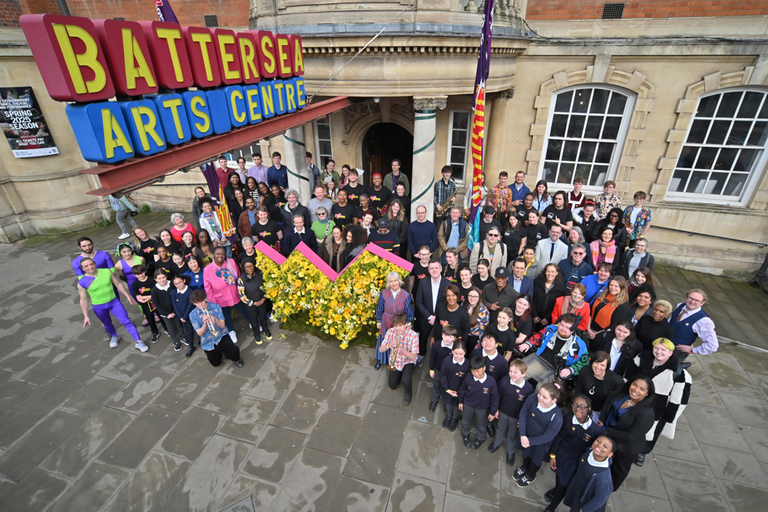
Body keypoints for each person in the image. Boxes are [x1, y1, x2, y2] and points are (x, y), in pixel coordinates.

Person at [632, 338, 692, 467]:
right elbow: (629, 376)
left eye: (663, 350)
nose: (659, 352)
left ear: (670, 353)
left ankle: (643, 452)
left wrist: (669, 416)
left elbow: (677, 398)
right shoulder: (642, 359)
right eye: (656, 348)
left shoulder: (678, 372)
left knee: (652, 431)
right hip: (635, 401)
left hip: (657, 408)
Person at [543, 394, 605, 512]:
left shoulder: (595, 430)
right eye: (575, 405)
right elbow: (559, 437)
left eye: (582, 406)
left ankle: (551, 507)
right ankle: (556, 489)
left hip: (576, 463)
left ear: (589, 409)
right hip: (562, 456)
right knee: (559, 477)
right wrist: (553, 455)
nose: (578, 409)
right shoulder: (567, 419)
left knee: (563, 484)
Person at [598, 375, 655, 490]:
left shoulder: (646, 413)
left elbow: (630, 436)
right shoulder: (624, 394)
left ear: (647, 394)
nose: (635, 389)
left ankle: (608, 489)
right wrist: (602, 420)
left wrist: (606, 430)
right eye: (635, 384)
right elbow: (609, 402)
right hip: (607, 435)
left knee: (617, 470)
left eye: (642, 389)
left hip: (625, 447)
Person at [77, 258, 147, 351]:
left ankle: (139, 342)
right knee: (107, 324)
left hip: (114, 302)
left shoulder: (106, 271)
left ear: (95, 263)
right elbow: (83, 300)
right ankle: (114, 336)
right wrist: (85, 316)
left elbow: (118, 284)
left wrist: (128, 296)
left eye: (91, 264)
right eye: (86, 266)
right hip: (99, 307)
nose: (90, 267)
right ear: (83, 269)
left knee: (126, 321)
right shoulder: (82, 282)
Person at [513, 383, 564, 487]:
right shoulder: (532, 398)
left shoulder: (557, 417)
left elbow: (548, 436)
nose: (539, 397)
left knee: (535, 460)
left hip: (540, 443)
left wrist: (529, 441)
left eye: (544, 397)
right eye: (540, 393)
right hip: (526, 435)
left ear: (553, 400)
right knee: (526, 453)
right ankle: (524, 467)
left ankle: (531, 475)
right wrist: (523, 435)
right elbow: (523, 413)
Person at [488, 360, 534, 465]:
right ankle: (496, 443)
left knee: (512, 435)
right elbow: (498, 396)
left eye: (515, 372)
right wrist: (496, 410)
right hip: (503, 413)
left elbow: (528, 406)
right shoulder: (504, 381)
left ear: (523, 374)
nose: (512, 374)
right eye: (510, 371)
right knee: (500, 429)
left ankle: (510, 452)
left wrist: (523, 420)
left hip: (516, 417)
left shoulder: (528, 388)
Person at [518, 313, 590, 382]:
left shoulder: (580, 345)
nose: (563, 329)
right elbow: (539, 336)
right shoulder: (550, 329)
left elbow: (584, 362)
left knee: (544, 390)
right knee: (520, 373)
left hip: (558, 371)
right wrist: (528, 343)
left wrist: (571, 369)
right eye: (561, 325)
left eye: (567, 328)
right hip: (540, 360)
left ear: (573, 330)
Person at [203, 247, 250, 343]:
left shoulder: (231, 262)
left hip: (235, 294)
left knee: (243, 309)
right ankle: (231, 331)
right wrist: (214, 302)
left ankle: (252, 322)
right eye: (217, 254)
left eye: (222, 254)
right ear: (214, 255)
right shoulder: (208, 269)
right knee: (226, 316)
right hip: (220, 298)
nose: (220, 256)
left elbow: (238, 274)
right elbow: (208, 288)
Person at [189, 289, 244, 368]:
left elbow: (222, 325)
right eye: (197, 303)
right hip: (208, 341)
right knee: (215, 363)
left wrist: (215, 320)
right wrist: (204, 323)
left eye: (201, 301)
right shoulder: (193, 315)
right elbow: (200, 333)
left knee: (233, 352)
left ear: (205, 298)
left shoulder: (215, 307)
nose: (200, 305)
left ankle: (236, 358)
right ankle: (218, 353)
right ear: (194, 303)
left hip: (221, 335)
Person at [562, 436, 616, 512]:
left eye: (605, 446)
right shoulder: (590, 451)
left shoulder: (604, 479)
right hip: (577, 489)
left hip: (585, 501)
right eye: (598, 441)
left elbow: (600, 499)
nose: (599, 445)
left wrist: (585, 510)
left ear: (610, 454)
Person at [459, 356, 500, 450]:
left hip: (482, 408)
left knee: (481, 424)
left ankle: (481, 438)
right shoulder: (468, 377)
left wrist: (493, 412)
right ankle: (465, 434)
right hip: (468, 404)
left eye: (478, 371)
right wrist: (461, 401)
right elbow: (463, 390)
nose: (475, 373)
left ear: (484, 368)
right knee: (465, 421)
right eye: (473, 371)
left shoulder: (491, 381)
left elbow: (495, 398)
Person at [375, 272, 414, 370]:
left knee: (397, 341)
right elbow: (380, 307)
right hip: (386, 320)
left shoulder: (405, 295)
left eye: (395, 280)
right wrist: (379, 320)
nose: (394, 283)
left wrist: (408, 322)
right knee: (384, 339)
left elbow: (408, 310)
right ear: (388, 283)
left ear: (399, 281)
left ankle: (394, 361)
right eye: (391, 281)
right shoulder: (384, 293)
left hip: (399, 322)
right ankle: (380, 359)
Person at [415, 259, 451, 363]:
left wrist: (438, 317)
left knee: (439, 341)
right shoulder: (423, 282)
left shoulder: (447, 284)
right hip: (426, 318)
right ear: (429, 270)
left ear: (440, 269)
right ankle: (421, 355)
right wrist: (429, 317)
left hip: (441, 319)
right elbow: (418, 301)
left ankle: (437, 360)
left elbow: (448, 302)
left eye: (436, 268)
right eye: (431, 268)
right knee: (423, 338)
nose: (434, 270)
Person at [379, 313, 420, 405]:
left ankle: (408, 392)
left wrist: (402, 350)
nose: (398, 329)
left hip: (407, 361)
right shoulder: (390, 332)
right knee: (392, 385)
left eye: (400, 326)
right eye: (396, 326)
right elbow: (381, 349)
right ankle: (401, 374)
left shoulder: (413, 335)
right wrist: (389, 345)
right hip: (396, 362)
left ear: (406, 325)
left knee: (406, 380)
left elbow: (413, 356)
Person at [670, 288, 720, 360]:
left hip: (676, 354)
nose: (692, 301)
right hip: (663, 346)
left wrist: (693, 350)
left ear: (702, 303)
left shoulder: (704, 320)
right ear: (686, 297)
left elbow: (713, 345)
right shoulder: (680, 306)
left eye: (697, 300)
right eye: (691, 298)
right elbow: (671, 322)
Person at [575, 352, 625, 421]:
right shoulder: (585, 371)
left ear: (607, 367)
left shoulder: (616, 380)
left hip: (601, 411)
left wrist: (603, 418)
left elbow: (616, 401)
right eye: (596, 363)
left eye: (602, 365)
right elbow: (579, 389)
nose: (598, 367)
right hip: (584, 406)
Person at [237, 260, 272, 344]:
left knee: (263, 316)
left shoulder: (259, 275)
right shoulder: (241, 279)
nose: (249, 268)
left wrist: (263, 298)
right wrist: (253, 303)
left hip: (262, 301)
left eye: (251, 266)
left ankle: (265, 330)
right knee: (254, 320)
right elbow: (242, 295)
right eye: (247, 267)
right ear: (244, 268)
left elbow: (267, 287)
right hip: (250, 304)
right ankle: (256, 334)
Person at [152, 271, 187, 352]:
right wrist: (166, 314)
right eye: (159, 278)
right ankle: (175, 342)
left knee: (179, 325)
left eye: (163, 277)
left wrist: (174, 312)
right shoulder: (154, 290)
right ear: (155, 279)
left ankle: (183, 337)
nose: (162, 280)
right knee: (171, 328)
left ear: (166, 276)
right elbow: (156, 303)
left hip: (175, 311)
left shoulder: (172, 285)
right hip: (165, 314)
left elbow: (177, 298)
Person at [440, 342, 470, 431]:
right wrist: (447, 389)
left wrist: (460, 393)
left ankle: (454, 418)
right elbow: (442, 376)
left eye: (461, 354)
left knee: (458, 406)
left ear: (465, 352)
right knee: (448, 403)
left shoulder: (467, 364)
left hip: (460, 392)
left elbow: (467, 381)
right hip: (448, 389)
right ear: (452, 351)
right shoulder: (446, 360)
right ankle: (448, 416)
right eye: (456, 353)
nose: (458, 356)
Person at [131, 265, 165, 343]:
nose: (140, 275)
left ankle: (166, 328)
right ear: (134, 275)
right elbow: (138, 296)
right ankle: (155, 332)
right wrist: (147, 297)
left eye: (142, 273)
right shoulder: (135, 284)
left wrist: (148, 297)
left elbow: (157, 292)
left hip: (156, 301)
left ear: (144, 271)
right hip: (146, 304)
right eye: (138, 274)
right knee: (150, 319)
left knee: (161, 315)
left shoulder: (151, 280)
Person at [429, 324, 457, 412]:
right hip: (438, 370)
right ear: (442, 335)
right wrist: (431, 369)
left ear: (454, 338)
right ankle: (434, 400)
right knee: (436, 385)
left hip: (449, 373)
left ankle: (446, 403)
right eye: (445, 336)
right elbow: (432, 358)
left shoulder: (455, 348)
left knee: (447, 387)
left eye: (450, 337)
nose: (447, 339)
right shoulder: (437, 345)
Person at [531, 264, 569, 330]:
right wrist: (534, 315)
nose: (550, 274)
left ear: (557, 273)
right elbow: (532, 299)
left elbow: (557, 306)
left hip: (548, 320)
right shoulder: (537, 282)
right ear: (545, 272)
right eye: (548, 271)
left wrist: (547, 318)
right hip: (533, 317)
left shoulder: (561, 288)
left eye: (552, 272)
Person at [171, 274, 197, 356]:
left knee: (195, 329)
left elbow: (190, 306)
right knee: (188, 330)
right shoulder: (174, 291)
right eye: (176, 284)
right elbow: (174, 304)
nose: (179, 285)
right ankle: (191, 346)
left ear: (184, 281)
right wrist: (180, 316)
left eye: (180, 282)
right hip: (182, 316)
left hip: (190, 315)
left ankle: (191, 346)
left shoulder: (190, 292)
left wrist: (185, 317)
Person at [464, 287, 490, 351]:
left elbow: (483, 331)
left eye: (475, 296)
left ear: (479, 298)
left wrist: (478, 344)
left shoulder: (484, 311)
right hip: (462, 336)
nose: (472, 298)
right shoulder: (464, 304)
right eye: (470, 296)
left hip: (473, 339)